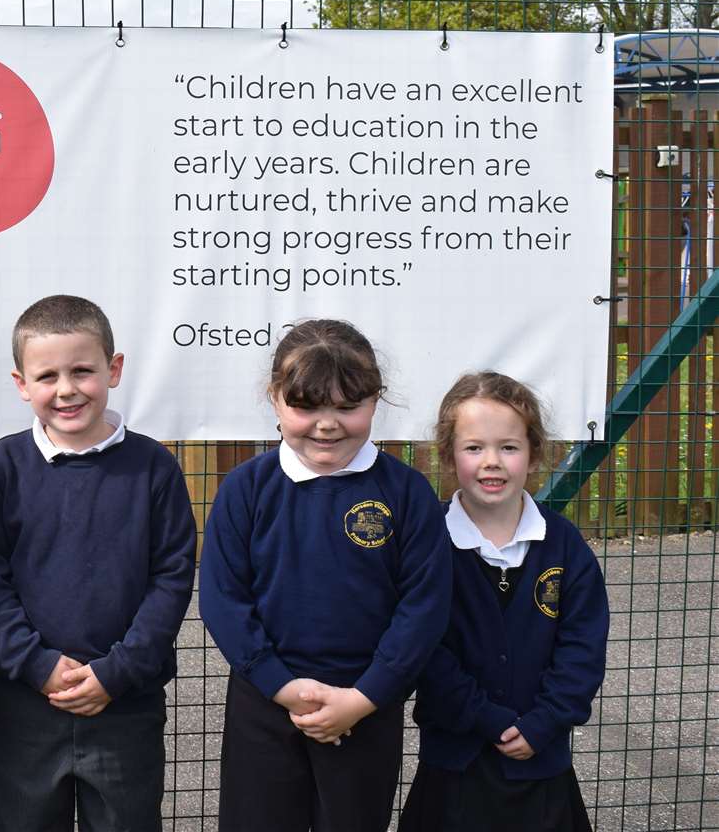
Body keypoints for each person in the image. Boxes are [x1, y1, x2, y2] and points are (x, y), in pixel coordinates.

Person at [198, 318, 452, 832]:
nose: (327, 424)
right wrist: (281, 686)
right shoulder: (245, 489)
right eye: (307, 405)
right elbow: (223, 599)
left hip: (365, 706)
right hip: (264, 704)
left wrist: (364, 697)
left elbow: (423, 607)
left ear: (375, 400)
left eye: (347, 406)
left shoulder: (407, 493)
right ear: (275, 399)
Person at [0, 294, 196, 832]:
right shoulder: (1, 467)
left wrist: (117, 672)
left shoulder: (153, 468)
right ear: (22, 383)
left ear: (113, 370)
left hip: (126, 705)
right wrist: (38, 665)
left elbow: (172, 578)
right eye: (47, 376)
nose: (66, 389)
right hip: (28, 705)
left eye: (83, 371)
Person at [401, 372, 608, 832]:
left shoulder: (564, 545)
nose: (491, 462)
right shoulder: (427, 542)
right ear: (449, 456)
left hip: (541, 762)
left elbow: (583, 647)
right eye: (474, 447)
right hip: (453, 763)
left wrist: (546, 722)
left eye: (508, 447)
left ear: (534, 455)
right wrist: (483, 716)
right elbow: (421, 649)